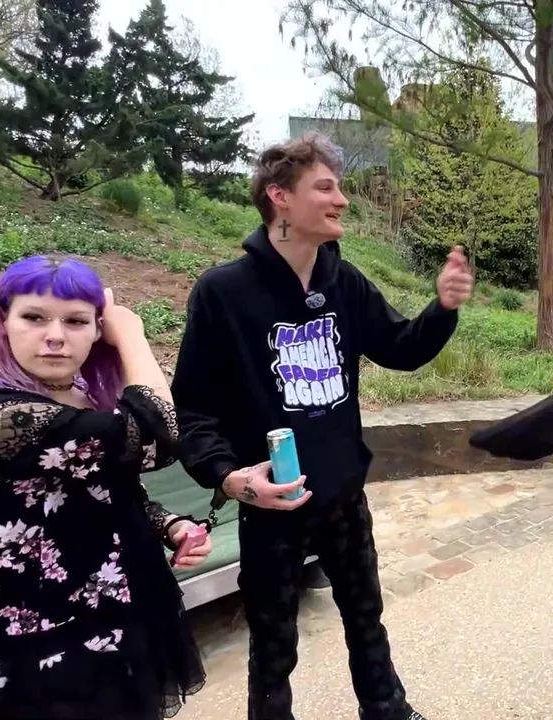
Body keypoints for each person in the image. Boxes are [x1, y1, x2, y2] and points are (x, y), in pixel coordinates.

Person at [170, 132, 473, 720]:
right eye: (326, 187)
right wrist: (231, 478)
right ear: (279, 196)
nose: (342, 200)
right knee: (274, 644)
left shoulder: (344, 282)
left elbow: (401, 348)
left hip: (342, 496)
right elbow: (195, 410)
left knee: (367, 618)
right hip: (273, 505)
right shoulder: (223, 293)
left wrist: (442, 308)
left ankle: (387, 711)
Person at [0, 255, 212, 719]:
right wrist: (131, 333)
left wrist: (169, 524)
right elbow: (160, 435)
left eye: (76, 321)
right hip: (40, 638)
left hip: (116, 610)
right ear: (2, 323)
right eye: (34, 317)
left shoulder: (82, 396)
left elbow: (105, 489)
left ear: (95, 330)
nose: (55, 336)